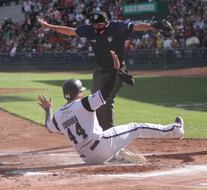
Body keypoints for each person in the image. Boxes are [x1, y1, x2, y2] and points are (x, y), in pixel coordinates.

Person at [37, 51, 184, 165]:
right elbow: (105, 92)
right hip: (101, 146)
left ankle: (119, 155)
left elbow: (49, 127)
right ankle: (175, 130)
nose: (83, 92)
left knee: (107, 134)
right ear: (78, 93)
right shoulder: (83, 103)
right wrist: (115, 70)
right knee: (136, 127)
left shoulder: (58, 114)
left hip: (87, 158)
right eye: (81, 90)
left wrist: (48, 109)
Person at [38, 11, 159, 130]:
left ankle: (109, 132)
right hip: (100, 71)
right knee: (95, 101)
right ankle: (97, 129)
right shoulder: (89, 29)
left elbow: (135, 27)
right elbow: (70, 31)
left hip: (117, 70)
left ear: (106, 22)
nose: (97, 27)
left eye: (100, 24)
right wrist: (49, 26)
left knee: (106, 100)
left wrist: (151, 26)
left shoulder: (117, 26)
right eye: (95, 24)